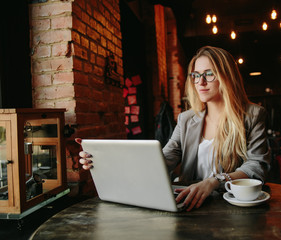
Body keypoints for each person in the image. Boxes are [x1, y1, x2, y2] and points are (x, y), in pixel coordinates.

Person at [78, 46, 270, 211]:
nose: (200, 82)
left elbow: (257, 165)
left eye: (209, 74)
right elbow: (164, 159)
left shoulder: (252, 115)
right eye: (196, 75)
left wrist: (214, 181)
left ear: (226, 76)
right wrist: (107, 161)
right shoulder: (187, 120)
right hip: (189, 204)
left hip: (232, 206)